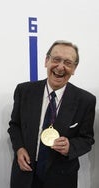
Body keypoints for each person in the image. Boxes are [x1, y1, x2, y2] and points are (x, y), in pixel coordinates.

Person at [8, 40, 96, 188]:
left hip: (62, 179)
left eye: (68, 63)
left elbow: (87, 140)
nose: (60, 67)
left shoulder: (85, 100)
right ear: (46, 61)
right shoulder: (24, 91)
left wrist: (70, 146)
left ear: (74, 68)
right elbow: (14, 126)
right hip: (25, 175)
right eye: (56, 60)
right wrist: (19, 148)